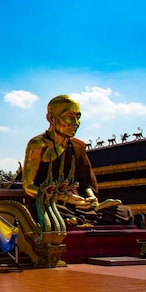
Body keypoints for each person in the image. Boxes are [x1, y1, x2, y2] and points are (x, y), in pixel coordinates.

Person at [23, 95, 134, 226]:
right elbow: (28, 186)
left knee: (124, 213)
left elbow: (85, 182)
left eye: (78, 116)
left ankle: (79, 220)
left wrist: (91, 199)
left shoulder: (78, 146)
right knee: (47, 213)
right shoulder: (38, 144)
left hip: (79, 205)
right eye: (70, 116)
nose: (77, 122)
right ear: (51, 118)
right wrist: (63, 197)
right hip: (51, 203)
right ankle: (78, 220)